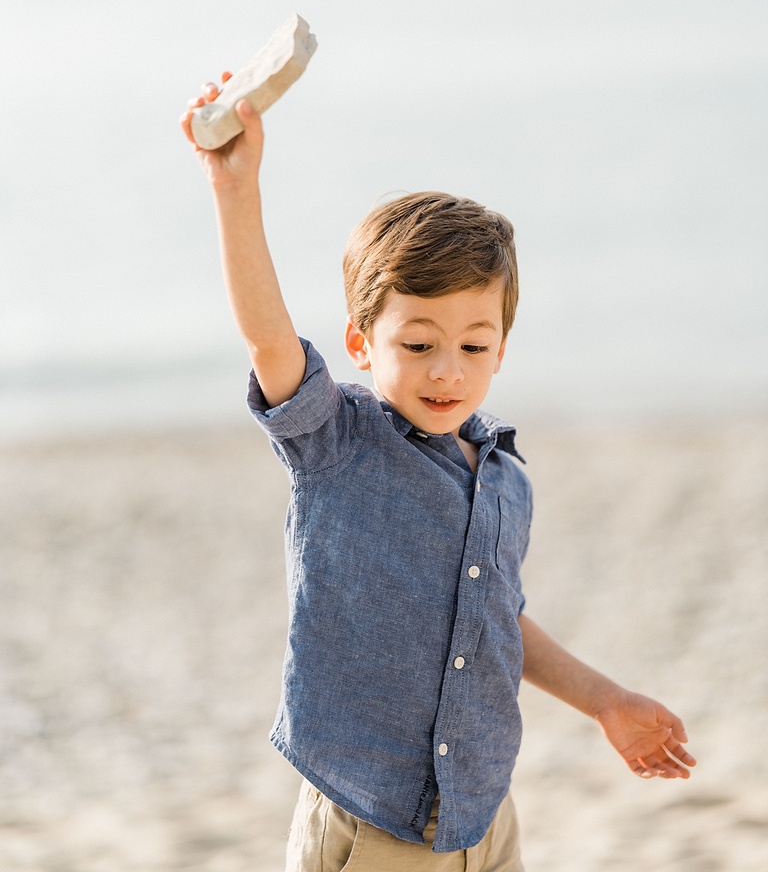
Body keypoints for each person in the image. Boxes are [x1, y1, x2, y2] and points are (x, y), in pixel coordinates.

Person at [181, 79, 695, 872]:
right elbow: (268, 339)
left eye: (475, 345)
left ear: (502, 346)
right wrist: (233, 188)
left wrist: (606, 702)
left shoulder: (504, 478)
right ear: (362, 343)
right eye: (417, 344)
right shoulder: (337, 441)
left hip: (482, 813)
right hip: (373, 819)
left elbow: (494, 621)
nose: (447, 371)